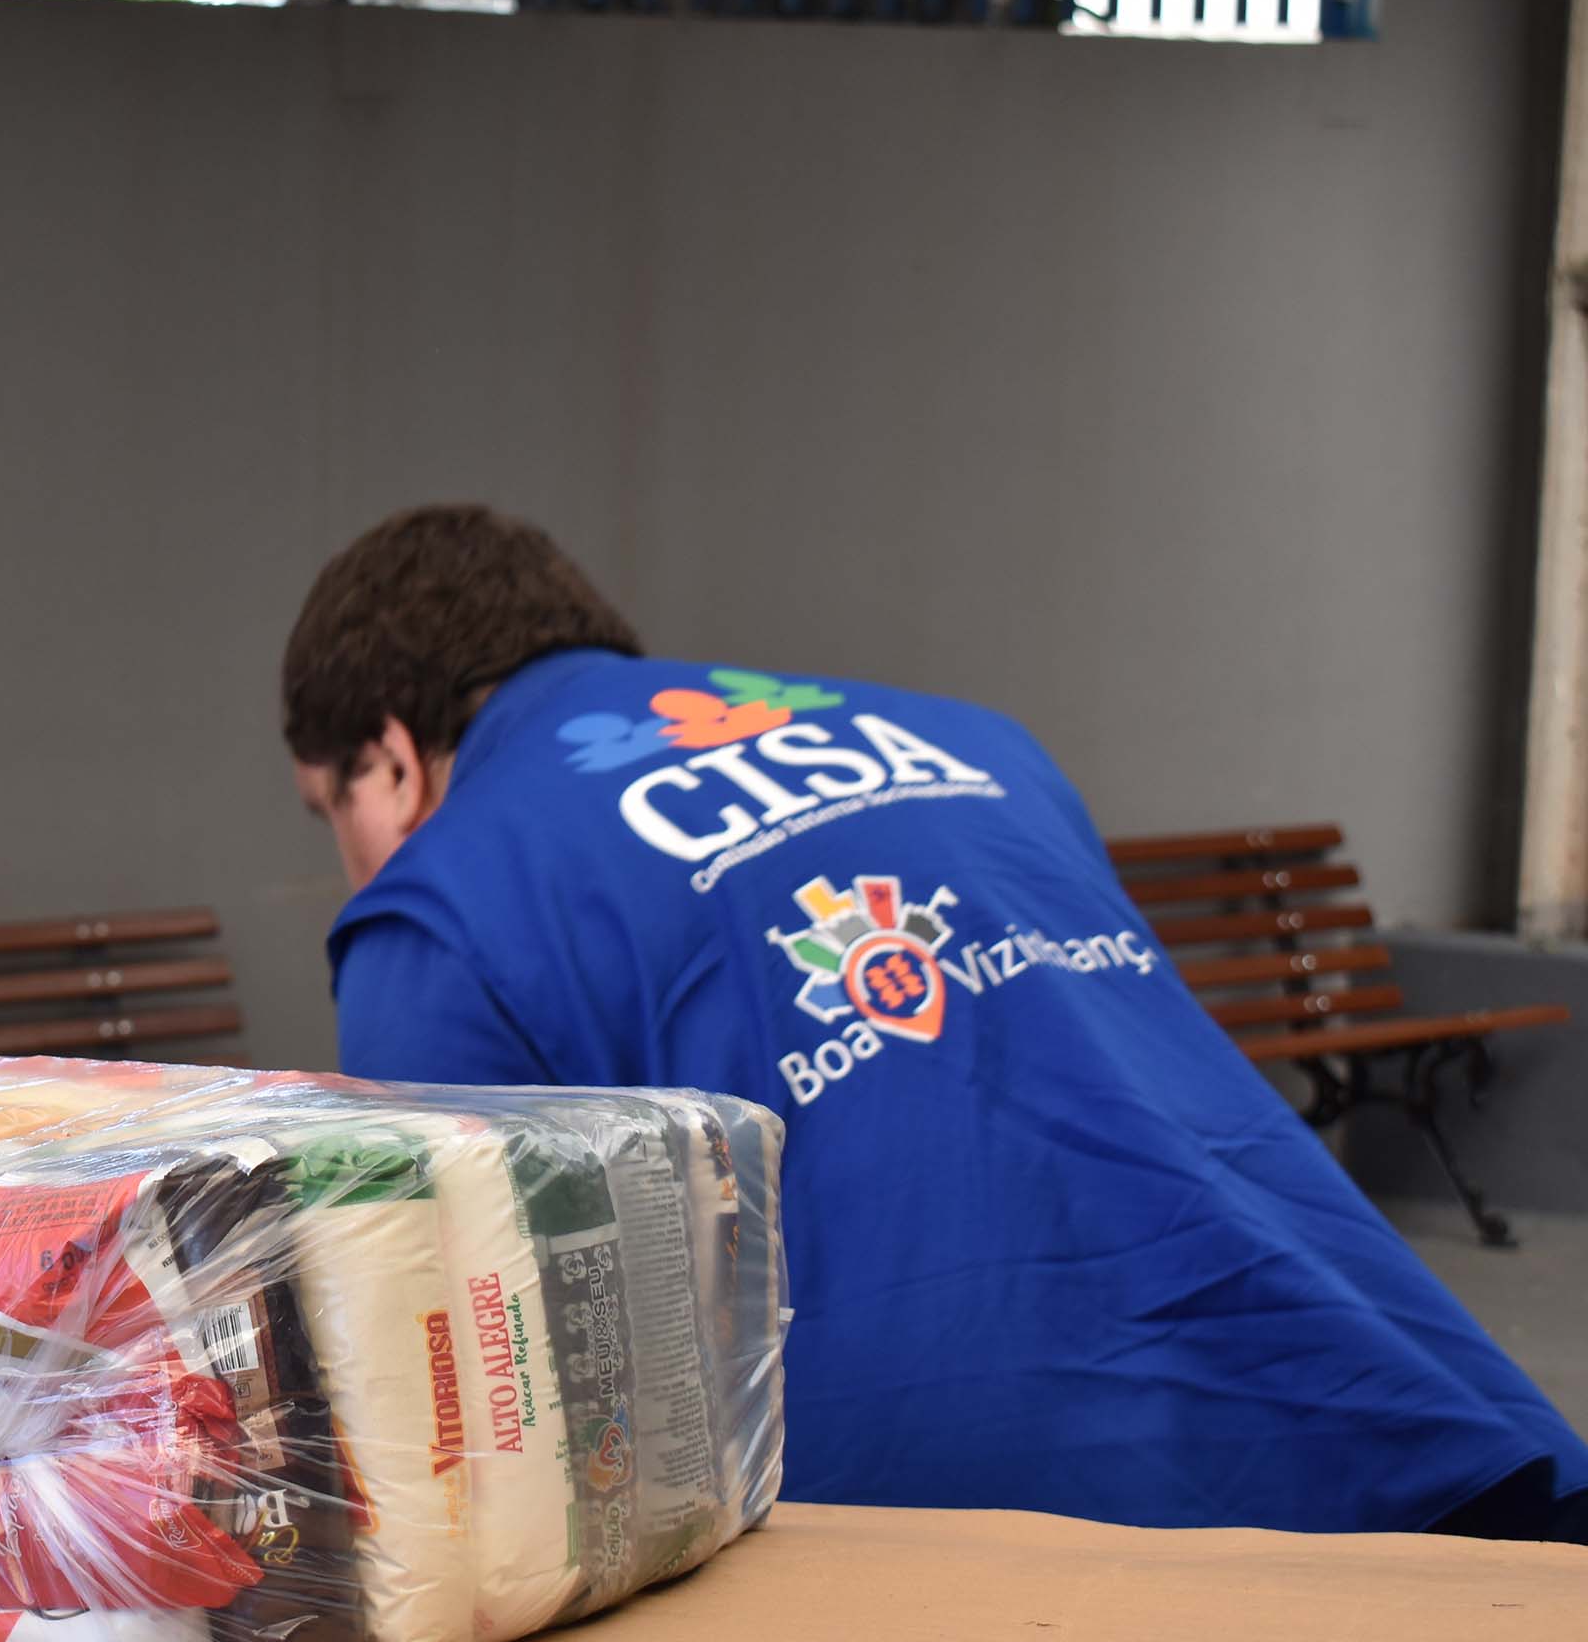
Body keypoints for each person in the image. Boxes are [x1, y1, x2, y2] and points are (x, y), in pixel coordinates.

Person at [280, 503, 1588, 1541]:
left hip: (981, 1535)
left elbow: (475, 1395)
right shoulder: (973, 740)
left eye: (328, 814)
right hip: (1374, 1390)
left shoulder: (445, 907)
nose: (352, 860)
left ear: (391, 758)